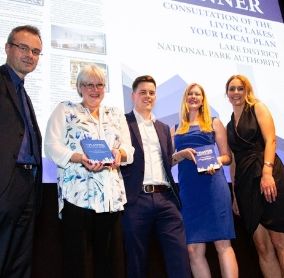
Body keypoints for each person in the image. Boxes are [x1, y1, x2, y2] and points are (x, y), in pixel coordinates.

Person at [44, 64, 134, 278]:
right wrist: (79, 158)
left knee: (110, 265)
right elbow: (50, 146)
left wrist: (119, 154)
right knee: (79, 264)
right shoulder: (65, 110)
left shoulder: (115, 114)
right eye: (89, 85)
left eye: (100, 84)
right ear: (79, 87)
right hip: (78, 198)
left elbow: (129, 149)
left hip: (111, 199)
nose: (95, 89)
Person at [120, 75, 191, 278]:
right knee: (136, 260)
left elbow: (166, 162)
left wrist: (182, 155)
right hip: (136, 199)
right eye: (143, 92)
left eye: (152, 93)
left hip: (166, 198)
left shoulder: (163, 128)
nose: (148, 96)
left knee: (179, 257)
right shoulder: (122, 123)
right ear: (133, 96)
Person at [172, 83, 238, 278]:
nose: (193, 97)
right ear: (185, 98)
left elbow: (227, 157)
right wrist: (180, 154)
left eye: (197, 94)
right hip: (189, 192)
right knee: (193, 249)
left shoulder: (213, 122)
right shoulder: (174, 129)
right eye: (190, 94)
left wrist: (215, 161)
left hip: (213, 187)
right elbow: (167, 161)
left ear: (203, 99)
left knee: (223, 244)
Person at [226, 74, 284, 277]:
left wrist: (267, 172)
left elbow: (271, 140)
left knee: (279, 241)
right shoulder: (229, 124)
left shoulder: (258, 108)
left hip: (267, 175)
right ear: (227, 93)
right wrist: (234, 194)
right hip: (245, 184)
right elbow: (232, 160)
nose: (235, 93)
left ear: (247, 90)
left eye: (239, 88)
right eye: (231, 89)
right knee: (262, 246)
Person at [0, 25, 42, 278]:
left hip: (28, 186)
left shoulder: (23, 92)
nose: (30, 55)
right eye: (23, 48)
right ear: (7, 48)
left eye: (36, 51)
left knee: (19, 262)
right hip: (6, 185)